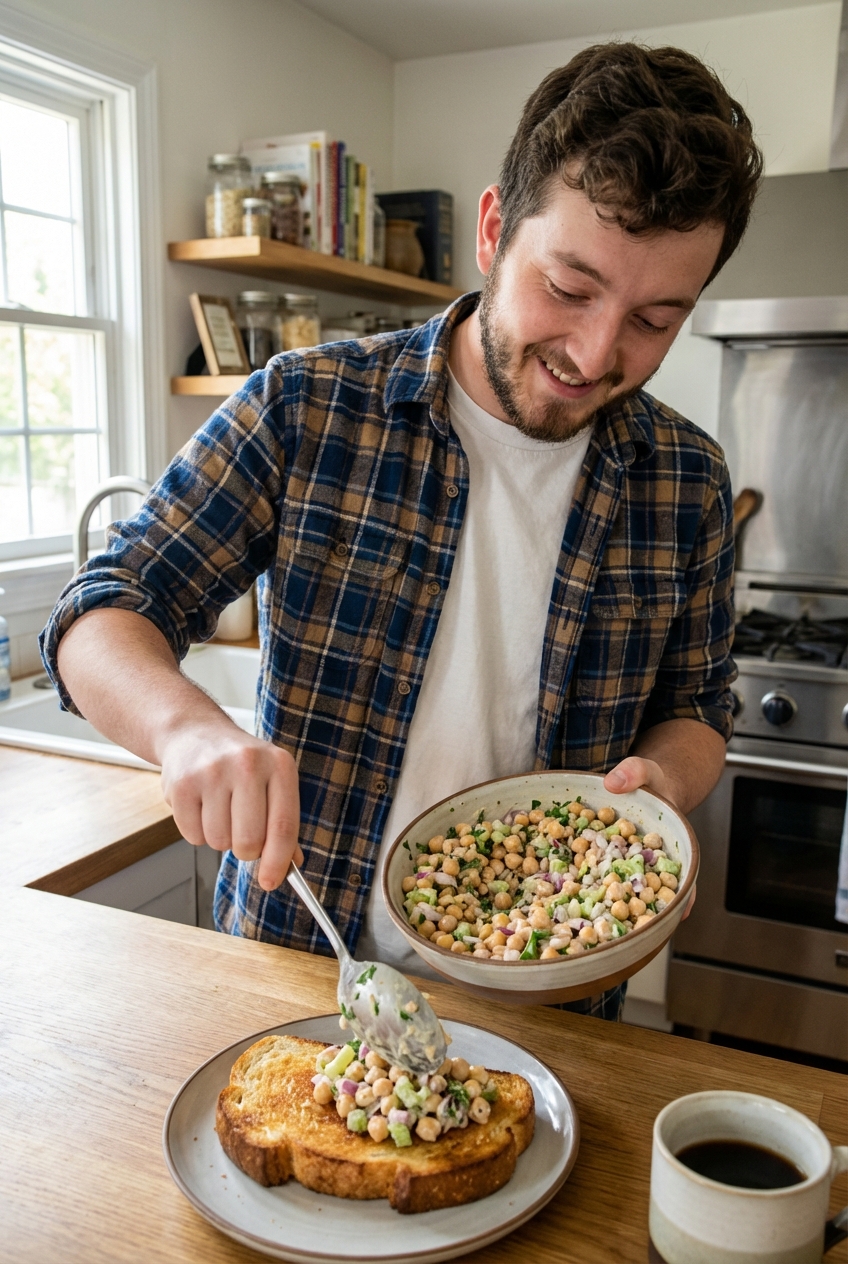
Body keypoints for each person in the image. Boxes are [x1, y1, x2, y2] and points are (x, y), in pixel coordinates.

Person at [42, 42, 762, 1019]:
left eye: (654, 318)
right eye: (569, 287)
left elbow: (698, 707)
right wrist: (183, 730)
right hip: (303, 967)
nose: (596, 354)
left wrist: (658, 785)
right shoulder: (307, 408)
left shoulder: (686, 479)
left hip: (550, 995)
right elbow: (103, 605)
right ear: (493, 228)